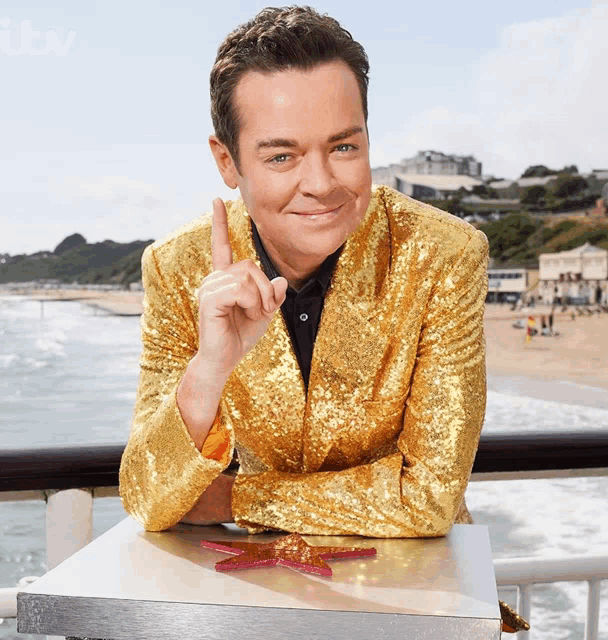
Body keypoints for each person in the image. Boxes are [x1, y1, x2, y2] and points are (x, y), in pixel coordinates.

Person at [114, 6, 528, 635]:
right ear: (227, 162)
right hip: (251, 612)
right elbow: (148, 497)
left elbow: (430, 495)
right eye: (281, 157)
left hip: (416, 612)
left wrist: (231, 499)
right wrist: (209, 369)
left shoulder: (445, 253)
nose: (322, 183)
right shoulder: (178, 269)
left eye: (344, 147)